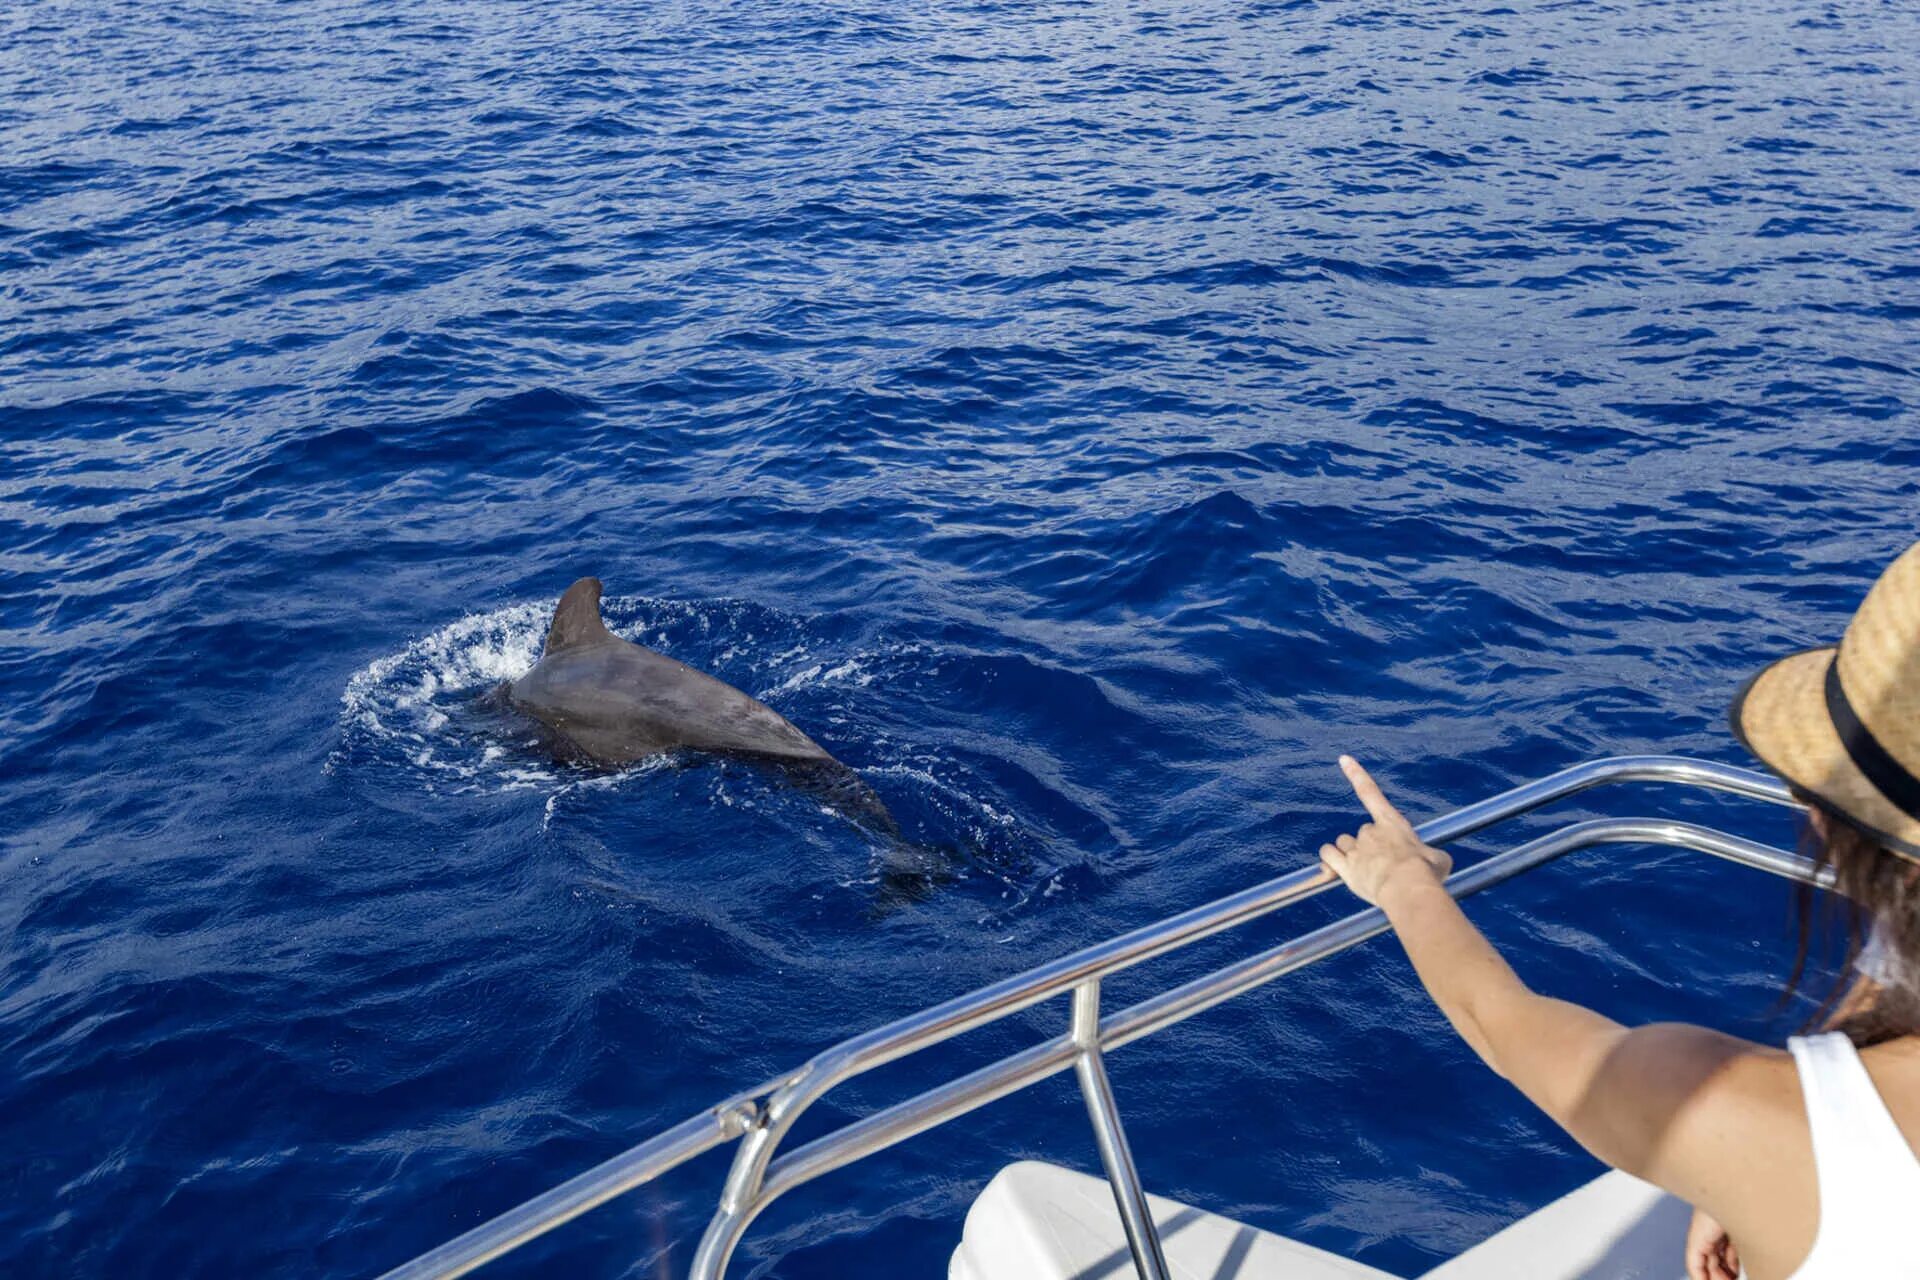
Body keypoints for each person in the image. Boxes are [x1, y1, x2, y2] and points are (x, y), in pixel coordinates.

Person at [1319, 540, 1920, 1280]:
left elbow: (1499, 1025)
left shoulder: (1714, 1099)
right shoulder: (1761, 1128)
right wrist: (1755, 1165)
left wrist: (1404, 881)